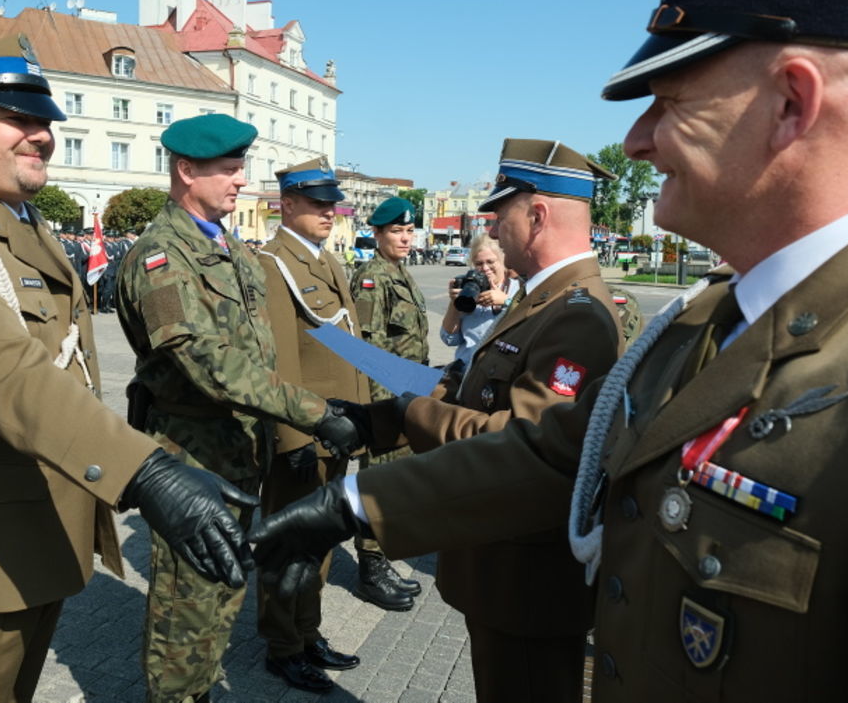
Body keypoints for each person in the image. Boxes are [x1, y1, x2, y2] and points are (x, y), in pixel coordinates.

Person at [251, 0, 848, 701]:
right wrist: (350, 501)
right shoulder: (698, 325)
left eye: (670, 99)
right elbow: (558, 453)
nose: (637, 140)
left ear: (792, 103)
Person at [0, 36, 258, 703]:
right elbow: (3, 371)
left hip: (26, 541)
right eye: (16, 117)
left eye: (46, 121)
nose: (40, 135)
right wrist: (144, 470)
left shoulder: (24, 225)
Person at [363, 139, 624, 701]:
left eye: (500, 216)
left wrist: (409, 413)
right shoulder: (543, 300)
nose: (494, 232)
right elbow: (476, 391)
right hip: (503, 568)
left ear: (537, 215)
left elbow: (522, 440)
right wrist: (385, 416)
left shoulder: (577, 317)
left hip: (527, 585)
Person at [114, 113, 362, 703]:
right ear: (185, 170)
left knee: (222, 589)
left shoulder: (231, 251)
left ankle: (200, 687)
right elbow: (205, 360)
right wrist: (312, 412)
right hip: (191, 456)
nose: (239, 181)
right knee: (187, 604)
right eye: (227, 169)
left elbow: (263, 351)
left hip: (239, 453)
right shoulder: (162, 255)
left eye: (239, 168)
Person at [255, 159, 369, 693]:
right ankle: (283, 646)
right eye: (319, 203)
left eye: (333, 203)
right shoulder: (274, 263)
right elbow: (279, 360)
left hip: (338, 431)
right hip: (306, 433)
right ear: (290, 204)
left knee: (319, 545)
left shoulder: (327, 262)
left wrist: (367, 414)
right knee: (289, 546)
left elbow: (346, 345)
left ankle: (307, 633)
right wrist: (294, 437)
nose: (331, 212)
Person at [346, 195, 427, 611]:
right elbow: (366, 349)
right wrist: (383, 413)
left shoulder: (400, 273)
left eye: (409, 230)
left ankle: (381, 561)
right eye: (396, 231)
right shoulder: (371, 278)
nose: (405, 238)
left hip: (406, 397)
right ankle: (369, 571)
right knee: (375, 485)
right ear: (376, 234)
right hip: (386, 403)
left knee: (393, 487)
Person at [439, 233, 520, 369]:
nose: (485, 268)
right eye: (479, 263)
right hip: (466, 372)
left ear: (502, 261)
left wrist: (507, 301)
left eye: (490, 262)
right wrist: (455, 304)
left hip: (498, 372)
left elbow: (530, 328)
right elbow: (449, 339)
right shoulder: (469, 290)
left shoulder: (518, 289)